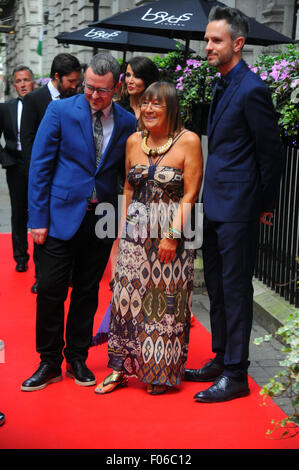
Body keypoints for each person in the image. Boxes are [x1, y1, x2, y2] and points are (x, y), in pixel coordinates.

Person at [20, 52, 137, 392]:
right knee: (52, 290)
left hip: (101, 218)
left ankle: (77, 357)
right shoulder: (59, 111)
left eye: (101, 90)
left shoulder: (127, 121)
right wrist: (37, 219)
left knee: (87, 291)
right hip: (58, 217)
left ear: (116, 87)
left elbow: (123, 174)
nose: (93, 95)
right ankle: (48, 361)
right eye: (88, 87)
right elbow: (40, 167)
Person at [184, 6, 283, 403]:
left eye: (215, 40)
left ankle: (237, 374)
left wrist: (265, 204)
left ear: (237, 44)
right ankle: (221, 357)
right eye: (207, 39)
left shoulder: (253, 88)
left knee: (236, 289)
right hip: (217, 204)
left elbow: (271, 153)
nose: (207, 46)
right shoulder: (221, 84)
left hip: (239, 207)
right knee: (218, 290)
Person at [95, 81, 203, 395]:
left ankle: (159, 372)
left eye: (157, 104)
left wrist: (172, 237)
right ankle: (118, 369)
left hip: (171, 236)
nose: (149, 109)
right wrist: (118, 235)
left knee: (163, 306)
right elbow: (127, 188)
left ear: (172, 109)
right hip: (134, 233)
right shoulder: (132, 141)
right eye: (145, 104)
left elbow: (191, 193)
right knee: (125, 301)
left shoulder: (189, 141)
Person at [92, 56, 160, 346]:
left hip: (146, 195)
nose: (130, 80)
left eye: (136, 76)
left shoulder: (155, 110)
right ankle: (115, 317)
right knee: (117, 254)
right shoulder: (116, 111)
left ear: (148, 80)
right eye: (127, 75)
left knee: (143, 260)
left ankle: (141, 319)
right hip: (118, 189)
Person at [21, 53, 82, 293]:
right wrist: (35, 180)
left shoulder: (77, 99)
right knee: (40, 227)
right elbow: (27, 142)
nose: (75, 86)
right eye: (71, 81)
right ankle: (41, 275)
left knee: (65, 229)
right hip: (43, 178)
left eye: (77, 82)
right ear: (57, 77)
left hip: (67, 180)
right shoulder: (35, 99)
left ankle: (66, 273)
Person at [0, 66, 35, 272]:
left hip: (38, 166)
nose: (23, 84)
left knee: (40, 211)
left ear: (33, 83)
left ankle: (42, 262)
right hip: (15, 165)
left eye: (26, 80)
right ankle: (20, 256)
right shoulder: (6, 108)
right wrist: (6, 158)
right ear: (14, 85)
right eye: (19, 81)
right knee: (18, 212)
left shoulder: (44, 106)